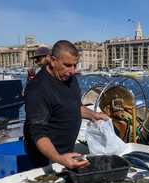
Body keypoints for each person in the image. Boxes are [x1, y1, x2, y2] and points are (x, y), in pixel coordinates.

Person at [24, 40, 109, 169]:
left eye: (75, 65)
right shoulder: (37, 88)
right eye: (68, 65)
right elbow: (38, 132)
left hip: (67, 152)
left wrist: (93, 115)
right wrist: (58, 158)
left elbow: (74, 107)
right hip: (45, 157)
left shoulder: (69, 77)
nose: (73, 71)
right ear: (53, 61)